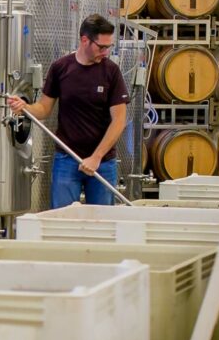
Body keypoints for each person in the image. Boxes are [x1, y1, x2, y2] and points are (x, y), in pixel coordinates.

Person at [7, 14, 129, 208]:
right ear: (84, 40)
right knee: (61, 219)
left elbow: (119, 120)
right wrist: (25, 108)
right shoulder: (61, 68)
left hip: (103, 163)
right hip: (67, 159)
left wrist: (96, 157)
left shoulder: (111, 72)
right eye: (102, 47)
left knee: (103, 224)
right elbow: (44, 109)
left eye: (109, 47)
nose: (106, 53)